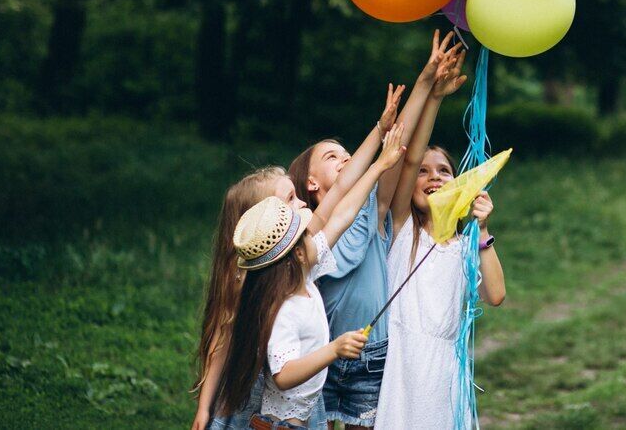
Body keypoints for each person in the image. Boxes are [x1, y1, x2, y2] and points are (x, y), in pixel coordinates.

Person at [287, 31, 463, 429]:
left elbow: (403, 153)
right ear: (310, 184)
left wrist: (425, 84)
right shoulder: (305, 233)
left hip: (372, 355)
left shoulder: (374, 210)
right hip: (321, 352)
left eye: (349, 154)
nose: (347, 159)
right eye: (333, 156)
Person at [215, 123, 407, 429]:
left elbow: (343, 212)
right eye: (295, 204)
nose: (305, 205)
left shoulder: (304, 271)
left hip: (306, 415)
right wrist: (332, 350)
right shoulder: (281, 307)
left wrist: (382, 164)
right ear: (296, 251)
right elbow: (283, 373)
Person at [374, 64, 506, 430]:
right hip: (402, 363)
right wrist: (434, 97)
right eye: (424, 172)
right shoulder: (401, 228)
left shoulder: (466, 246)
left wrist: (482, 231)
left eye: (444, 171)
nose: (433, 177)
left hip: (445, 366)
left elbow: (495, 294)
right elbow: (410, 156)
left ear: (458, 183)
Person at [192, 166, 310, 430]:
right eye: (290, 198)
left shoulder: (304, 255)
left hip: (295, 395)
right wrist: (203, 406)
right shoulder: (242, 280)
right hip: (249, 394)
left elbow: (343, 207)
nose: (302, 203)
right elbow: (222, 341)